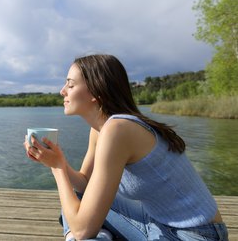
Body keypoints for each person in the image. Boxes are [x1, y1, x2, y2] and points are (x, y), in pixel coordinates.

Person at [23, 54, 229, 240]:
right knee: (76, 196)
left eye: (70, 84)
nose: (62, 91)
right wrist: (55, 160)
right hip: (155, 224)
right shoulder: (101, 129)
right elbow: (84, 184)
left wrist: (57, 168)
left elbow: (83, 230)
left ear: (95, 91)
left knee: (80, 223)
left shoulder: (118, 129)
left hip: (194, 235)